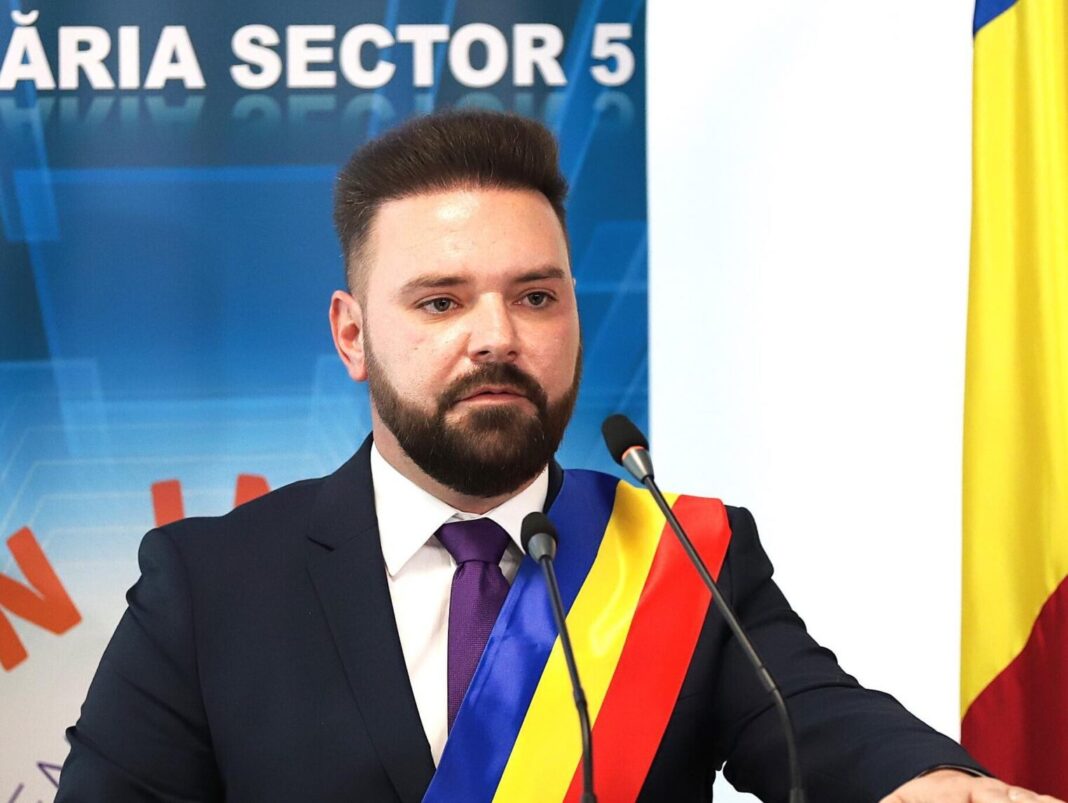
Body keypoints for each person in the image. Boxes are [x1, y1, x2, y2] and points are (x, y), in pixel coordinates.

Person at [56, 111, 1060, 803]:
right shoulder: (211, 583)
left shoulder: (682, 555)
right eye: (441, 300)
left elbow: (824, 723)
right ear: (352, 334)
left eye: (536, 295)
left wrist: (932, 782)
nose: (497, 336)